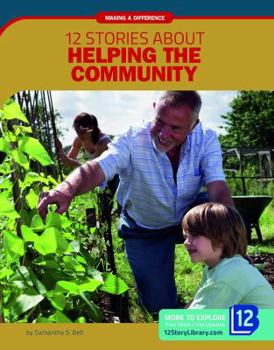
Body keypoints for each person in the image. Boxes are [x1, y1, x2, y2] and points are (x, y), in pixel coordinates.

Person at [38, 91, 233, 314]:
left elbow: (217, 188)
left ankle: (225, 277)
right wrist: (66, 189)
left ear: (193, 125)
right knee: (159, 309)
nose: (163, 133)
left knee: (225, 215)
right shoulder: (133, 138)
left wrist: (233, 237)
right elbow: (99, 166)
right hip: (145, 227)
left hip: (187, 215)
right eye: (159, 122)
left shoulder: (206, 138)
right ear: (153, 110)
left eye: (176, 128)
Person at [182, 202, 274, 309]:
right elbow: (195, 303)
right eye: (186, 236)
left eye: (194, 236)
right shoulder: (222, 266)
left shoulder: (227, 274)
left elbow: (195, 322)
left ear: (220, 238)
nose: (186, 242)